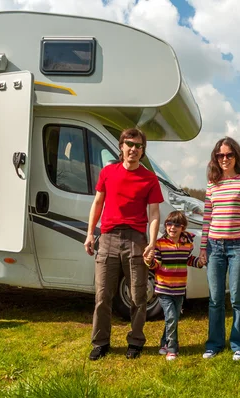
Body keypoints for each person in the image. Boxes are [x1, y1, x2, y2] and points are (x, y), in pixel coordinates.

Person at [84, 127, 164, 361]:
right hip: (107, 239)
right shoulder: (108, 172)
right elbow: (97, 203)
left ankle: (136, 341)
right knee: (102, 296)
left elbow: (155, 213)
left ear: (143, 150)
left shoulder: (150, 178)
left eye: (139, 146)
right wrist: (90, 234)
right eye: (129, 144)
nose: (134, 149)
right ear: (121, 146)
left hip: (136, 240)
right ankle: (101, 342)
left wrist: (151, 242)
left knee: (139, 296)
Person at [198, 137, 240, 361]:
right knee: (215, 299)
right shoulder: (212, 184)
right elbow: (207, 218)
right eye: (220, 155)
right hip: (214, 247)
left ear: (237, 156)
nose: (224, 159)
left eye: (229, 155)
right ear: (215, 159)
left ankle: (239, 344)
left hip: (239, 246)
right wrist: (203, 247)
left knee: (237, 297)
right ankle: (214, 344)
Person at [144, 211, 203, 361]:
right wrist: (149, 261)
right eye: (169, 224)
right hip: (163, 288)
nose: (172, 228)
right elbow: (156, 265)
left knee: (174, 318)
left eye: (177, 225)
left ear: (182, 228)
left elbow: (188, 260)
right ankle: (172, 348)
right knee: (170, 317)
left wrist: (200, 262)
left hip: (179, 289)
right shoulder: (159, 244)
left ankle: (164, 343)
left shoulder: (187, 243)